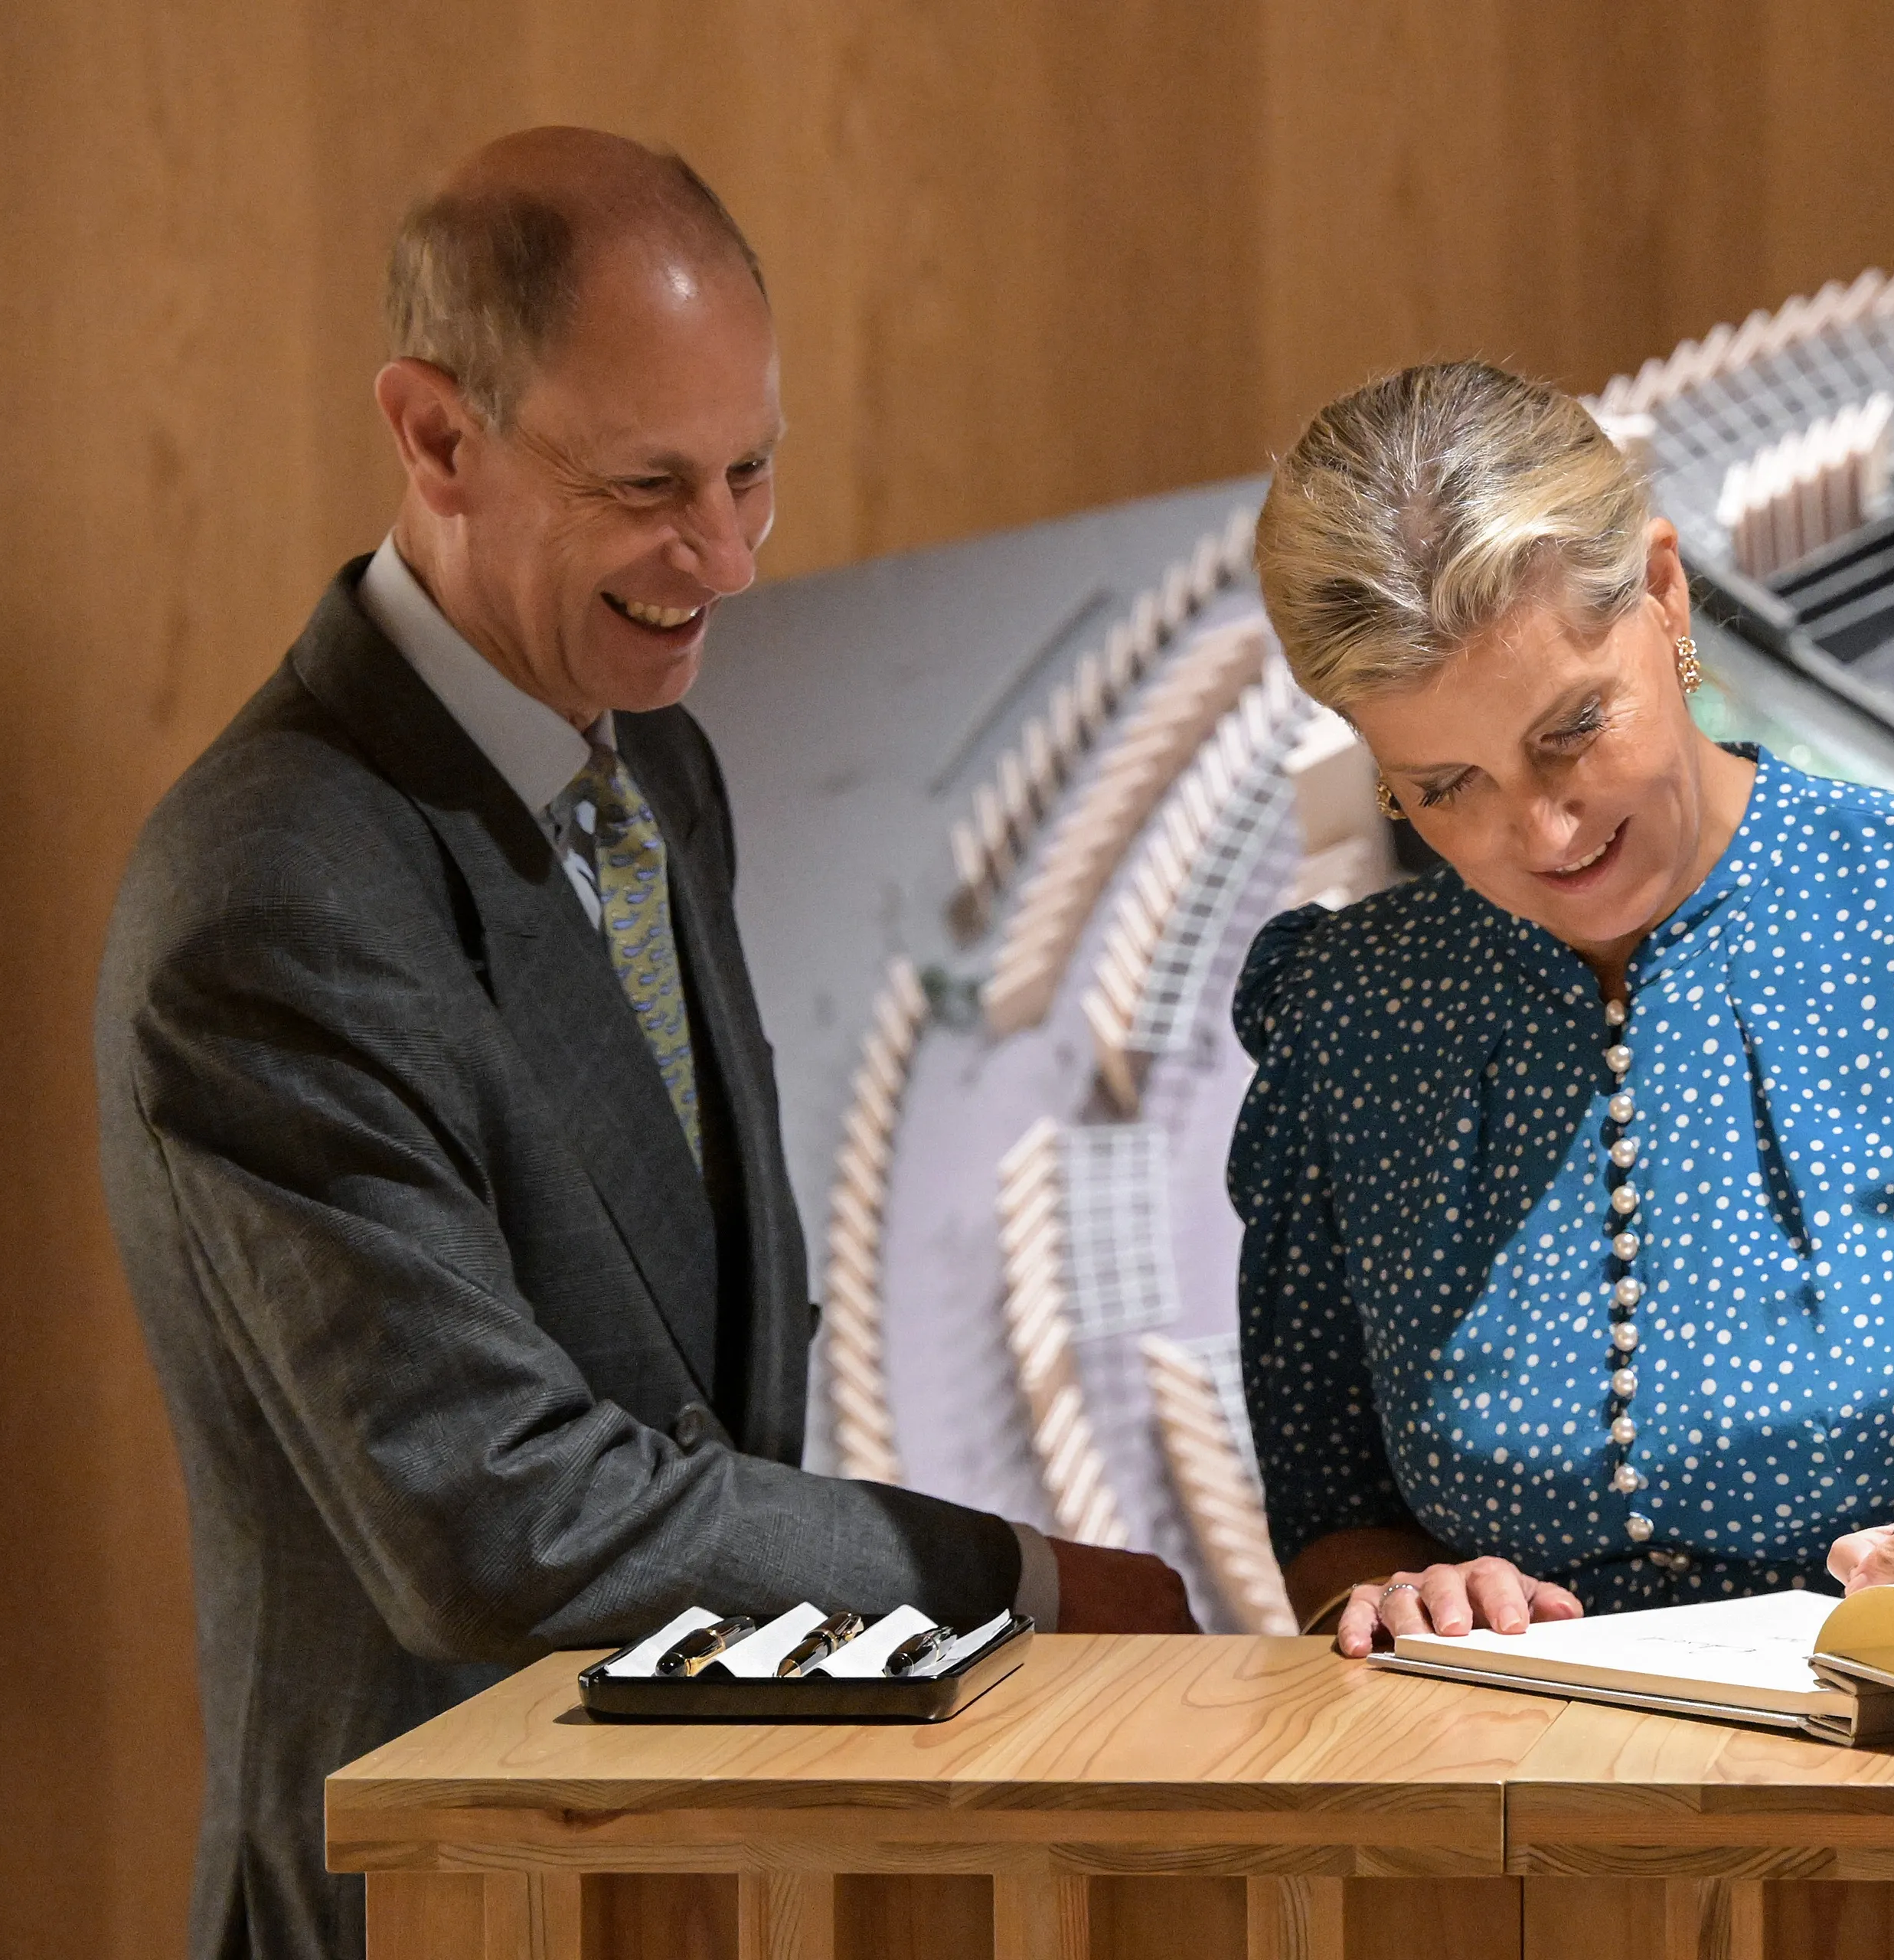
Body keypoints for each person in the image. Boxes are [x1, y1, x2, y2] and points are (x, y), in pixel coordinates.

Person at [96, 129, 1190, 1960]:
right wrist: (1007, 1577)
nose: (730, 557)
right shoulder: (271, 894)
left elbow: (697, 1361)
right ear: (434, 436)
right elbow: (500, 1513)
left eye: (753, 468)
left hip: (681, 1881)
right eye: (649, 485)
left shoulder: (656, 760)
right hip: (432, 1904)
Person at [1227, 360, 1894, 1659]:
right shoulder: (1349, 1022)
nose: (1548, 832)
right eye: (1445, 786)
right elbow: (1333, 1520)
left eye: (1573, 729)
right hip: (1525, 1772)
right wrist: (1397, 1593)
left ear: (1665, 593)